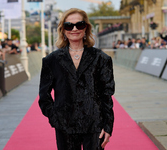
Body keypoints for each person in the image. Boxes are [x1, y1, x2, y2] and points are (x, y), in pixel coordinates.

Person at [38, 8, 115, 150]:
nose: (74, 29)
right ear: (63, 30)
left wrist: (108, 125)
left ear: (86, 27)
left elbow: (107, 95)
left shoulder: (101, 59)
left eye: (79, 25)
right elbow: (44, 95)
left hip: (94, 125)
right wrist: (55, 118)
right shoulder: (51, 60)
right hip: (64, 125)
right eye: (69, 25)